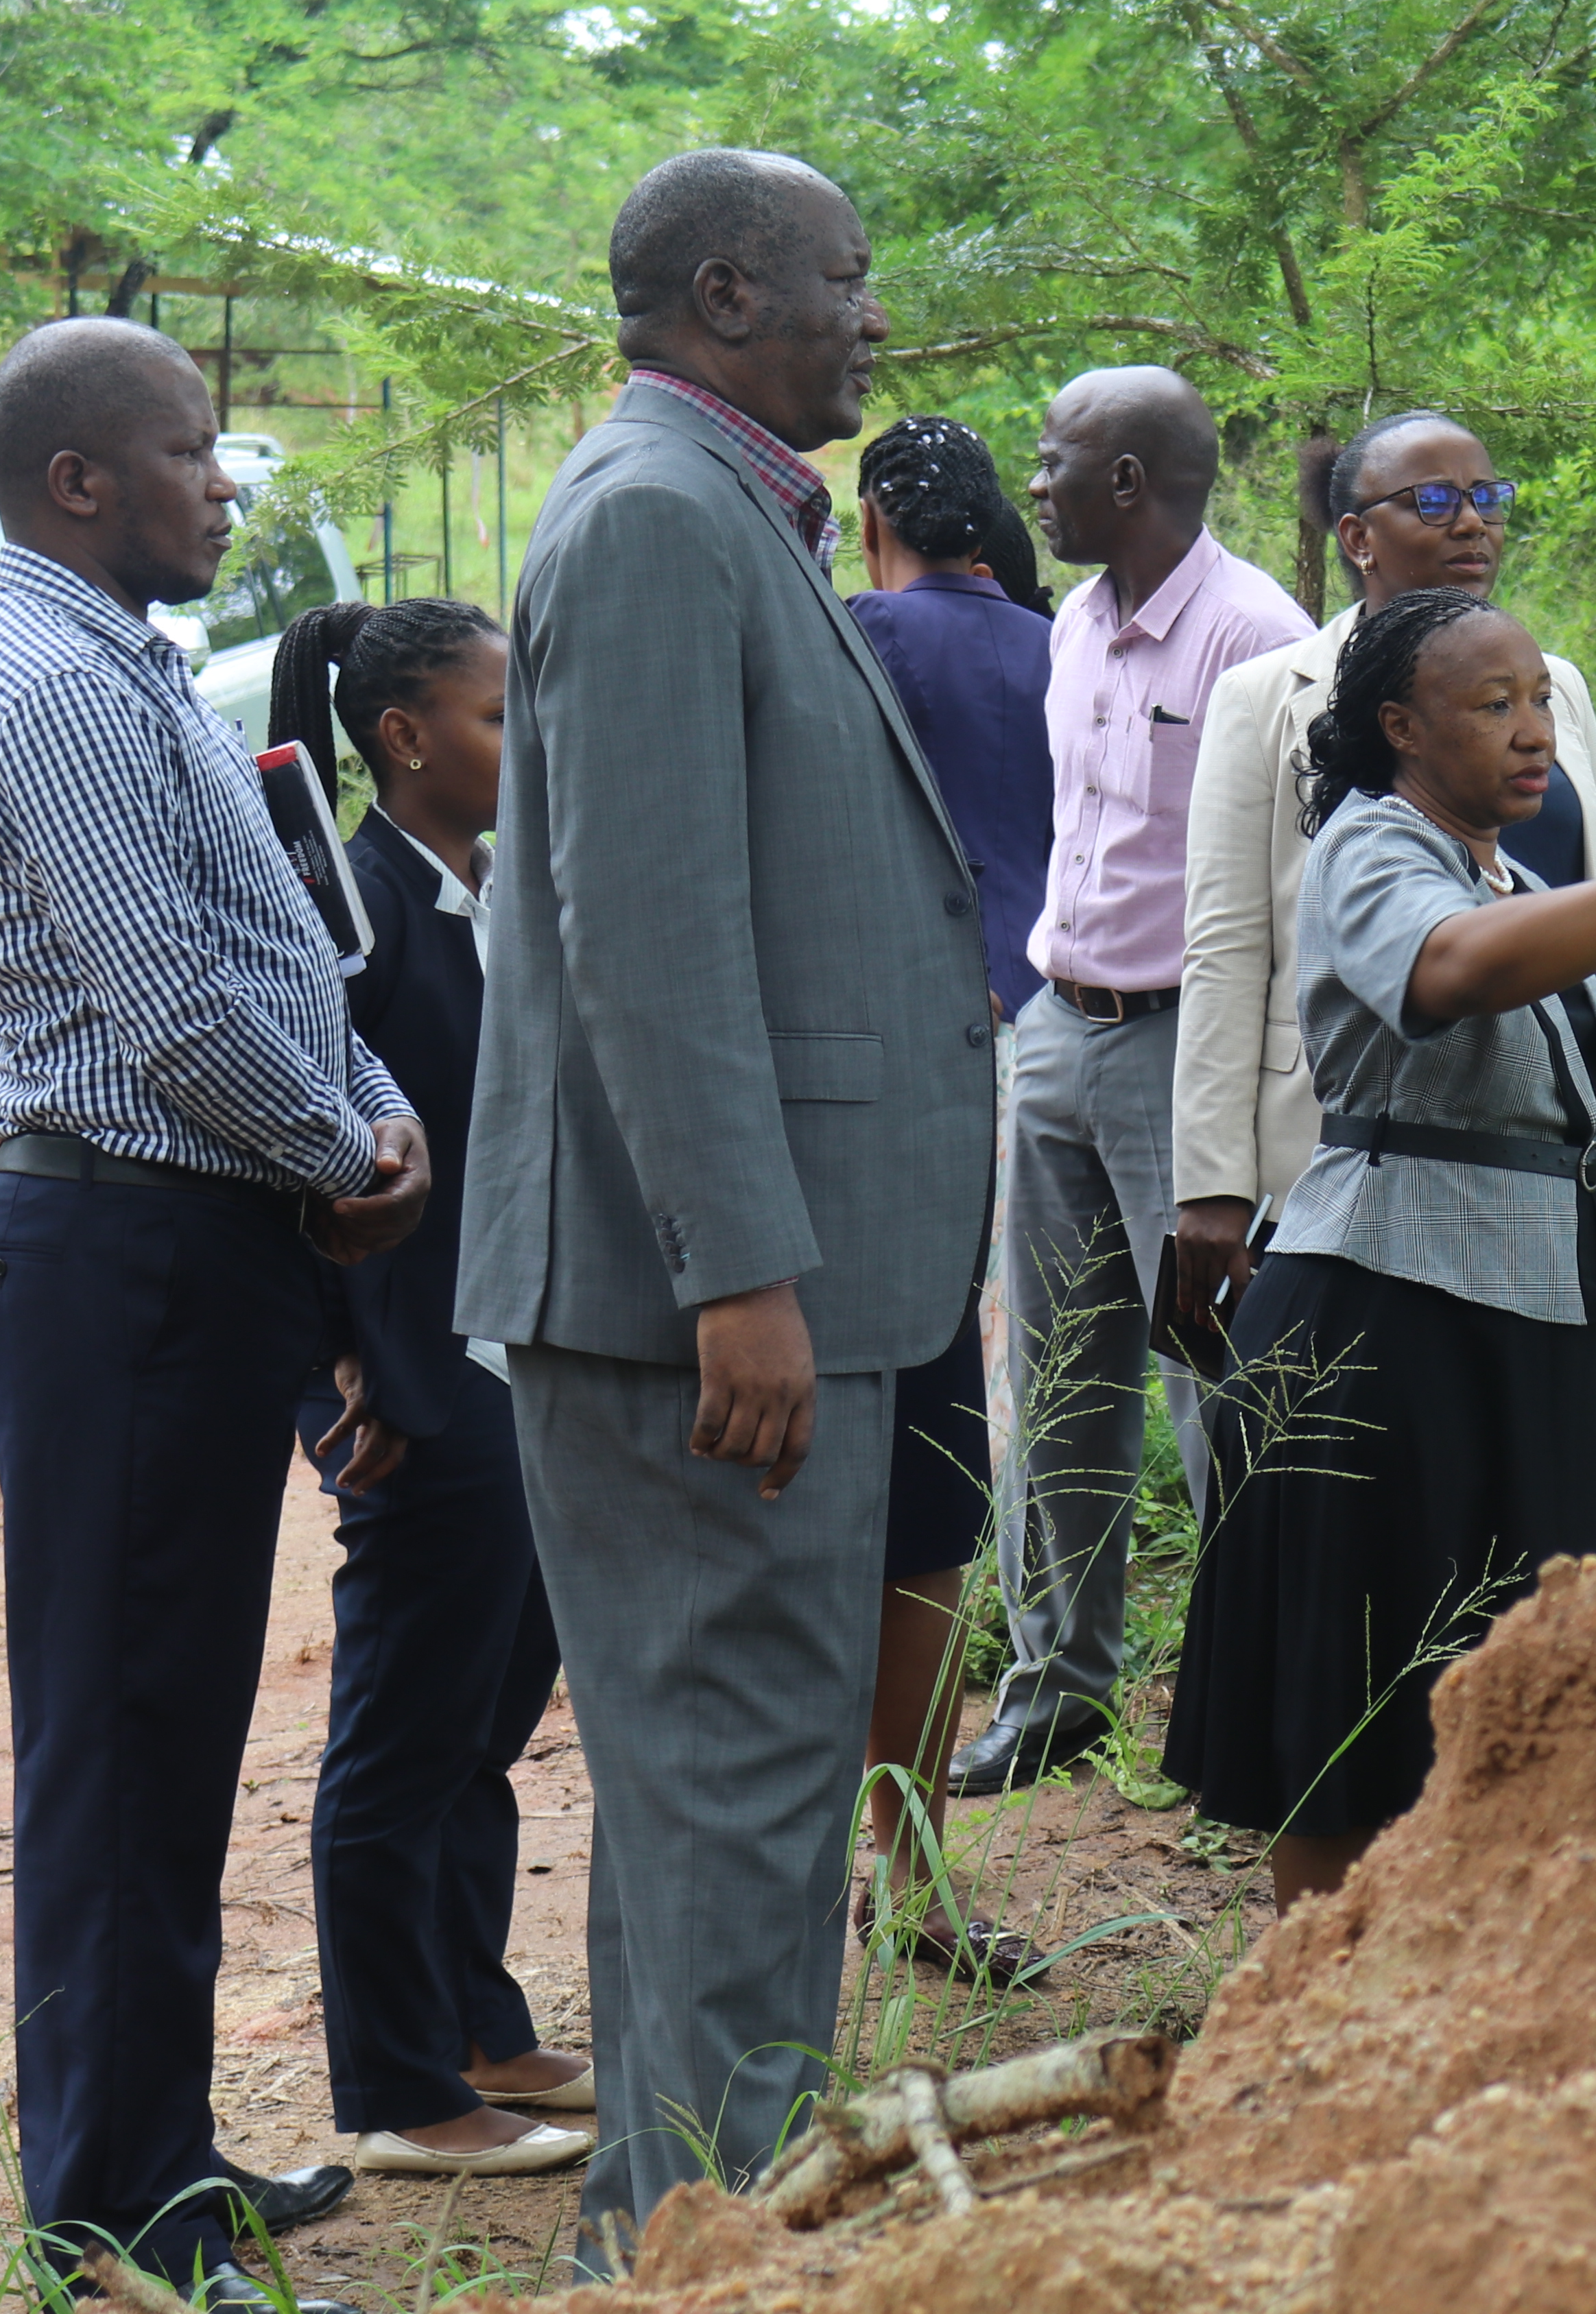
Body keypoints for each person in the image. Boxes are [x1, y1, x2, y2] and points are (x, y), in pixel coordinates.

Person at [455, 149, 995, 2261]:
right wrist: (740, 1274)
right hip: (716, 1309)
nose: (880, 317)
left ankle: (693, 2233)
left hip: (762, 1287)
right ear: (725, 288)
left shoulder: (706, 511)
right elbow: (650, 937)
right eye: (849, 281)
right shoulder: (662, 523)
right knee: (735, 1793)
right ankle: (687, 2253)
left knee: (734, 1802)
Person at [0, 316, 429, 2302]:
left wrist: (366, 1107)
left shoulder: (119, 656)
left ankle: (158, 2149)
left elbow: (275, 943)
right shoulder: (51, 683)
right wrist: (343, 1152)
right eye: (196, 452)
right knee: (127, 1732)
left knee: (172, 1719)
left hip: (186, 1240)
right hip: (121, 1247)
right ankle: (114, 2203)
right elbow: (165, 997)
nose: (225, 485)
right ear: (83, 482)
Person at [1159, 589, 1596, 1905]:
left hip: (1517, 1318)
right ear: (1401, 728)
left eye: (1540, 700)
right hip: (1378, 1321)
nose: (1533, 731)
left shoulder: (1510, 873)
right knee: (1357, 1705)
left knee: (1529, 1670)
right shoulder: (1371, 849)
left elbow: (1551, 1048)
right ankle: (1326, 2003)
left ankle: (1460, 1986)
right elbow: (1456, 976)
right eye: (1494, 707)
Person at [259, 599, 595, 2178]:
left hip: (496, 1358)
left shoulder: (477, 891)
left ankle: (476, 2014)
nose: (524, 747)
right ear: (404, 737)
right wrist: (344, 1371)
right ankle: (396, 2085)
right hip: (408, 1383)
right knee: (401, 1732)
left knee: (485, 1709)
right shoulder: (350, 905)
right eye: (496, 718)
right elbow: (298, 1144)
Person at [950, 367, 1313, 1796]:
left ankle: (1256, 1709)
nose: (1028, 484)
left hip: (1188, 1044)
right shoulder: (1075, 632)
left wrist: (1249, 1099)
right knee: (1054, 1376)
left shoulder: (1256, 638)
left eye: (1052, 460)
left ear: (1128, 481)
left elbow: (1288, 890)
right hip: (1059, 1029)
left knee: (1213, 1377)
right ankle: (1057, 1686)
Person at [1167, 411, 1596, 1344]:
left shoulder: (1553, 684)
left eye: (1489, 498)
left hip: (1538, 1153)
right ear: (1356, 537)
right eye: (1433, 501)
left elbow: (1587, 934)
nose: (1471, 523)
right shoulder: (1268, 696)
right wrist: (1213, 1183)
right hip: (1346, 1149)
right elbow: (1228, 947)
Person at [839, 415, 1053, 1983]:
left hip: (867, 1076)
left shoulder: (858, 641)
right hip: (1027, 1052)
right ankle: (913, 1860)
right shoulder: (1065, 650)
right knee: (942, 1458)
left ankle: (843, 1856)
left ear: (875, 527)